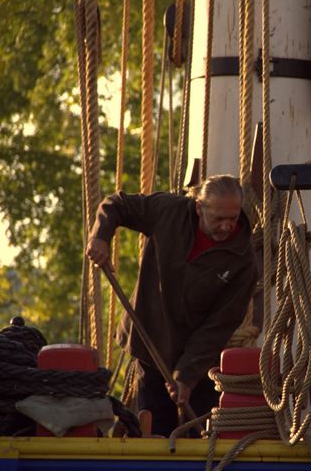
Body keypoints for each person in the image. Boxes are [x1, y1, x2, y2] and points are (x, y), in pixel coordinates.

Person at [86, 175, 257, 437]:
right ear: (199, 208)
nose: (226, 226)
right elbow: (117, 204)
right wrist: (100, 236)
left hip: (200, 364)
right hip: (151, 345)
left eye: (232, 219)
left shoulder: (243, 261)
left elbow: (220, 324)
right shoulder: (169, 211)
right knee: (153, 432)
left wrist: (186, 375)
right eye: (219, 219)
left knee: (200, 437)